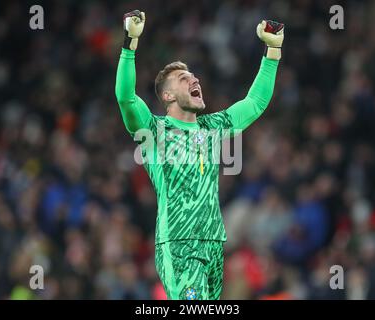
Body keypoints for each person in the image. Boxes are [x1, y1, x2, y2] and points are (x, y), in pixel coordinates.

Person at [115, 10, 284, 300]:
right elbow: (125, 97)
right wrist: (130, 41)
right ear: (167, 96)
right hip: (179, 242)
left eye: (194, 76)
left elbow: (255, 102)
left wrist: (272, 51)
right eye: (183, 79)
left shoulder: (212, 127)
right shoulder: (155, 129)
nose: (195, 80)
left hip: (214, 243)